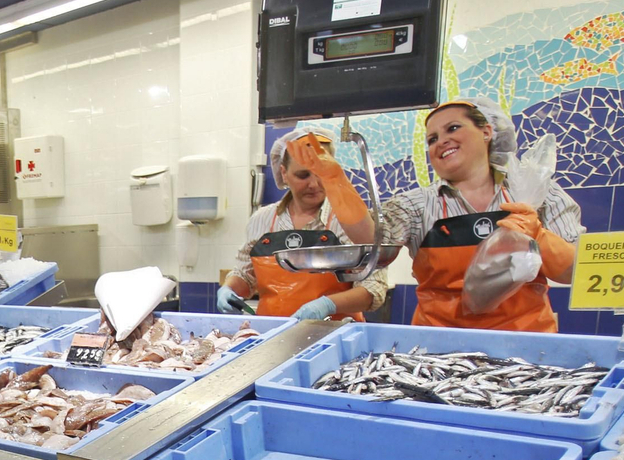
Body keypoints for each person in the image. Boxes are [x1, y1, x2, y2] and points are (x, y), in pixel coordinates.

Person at [379, 97, 581, 332]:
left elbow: (576, 272)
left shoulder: (539, 193)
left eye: (453, 128)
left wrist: (539, 235)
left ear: (487, 131)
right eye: (432, 139)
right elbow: (371, 244)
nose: (441, 141)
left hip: (526, 342)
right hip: (439, 343)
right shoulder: (414, 205)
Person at [219, 129, 385, 321]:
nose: (313, 184)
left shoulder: (350, 221)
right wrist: (228, 289)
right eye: (303, 175)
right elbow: (245, 275)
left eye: (321, 173)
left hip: (334, 332)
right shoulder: (262, 219)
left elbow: (374, 288)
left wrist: (328, 305)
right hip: (272, 332)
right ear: (284, 173)